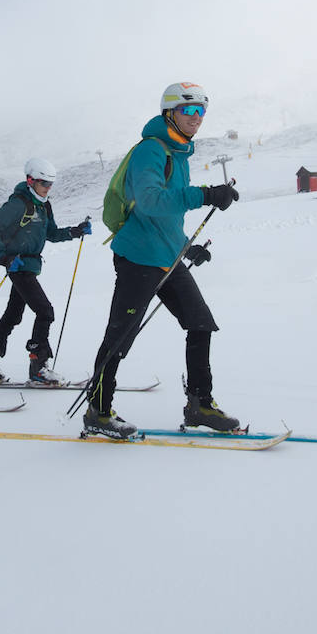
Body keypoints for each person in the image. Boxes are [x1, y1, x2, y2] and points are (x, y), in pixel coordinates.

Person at [83, 82, 241, 438]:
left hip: (168, 259)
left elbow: (165, 219)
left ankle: (199, 404)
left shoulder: (179, 154)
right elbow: (151, 200)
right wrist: (203, 194)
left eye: (201, 111)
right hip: (138, 258)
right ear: (170, 112)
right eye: (189, 110)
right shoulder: (150, 151)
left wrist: (187, 248)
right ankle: (98, 410)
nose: (196, 118)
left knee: (200, 323)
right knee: (121, 334)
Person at [0, 157, 91, 384]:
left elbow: (52, 233)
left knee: (14, 314)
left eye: (50, 184)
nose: (47, 189)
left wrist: (75, 231)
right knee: (45, 311)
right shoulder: (18, 204)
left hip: (30, 267)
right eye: (43, 184)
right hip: (19, 267)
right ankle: (38, 366)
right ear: (30, 180)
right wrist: (4, 256)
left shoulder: (44, 206)